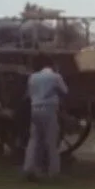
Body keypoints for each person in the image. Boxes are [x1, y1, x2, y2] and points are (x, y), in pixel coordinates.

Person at [23, 53, 68, 181]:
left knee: (34, 140)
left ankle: (29, 169)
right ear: (51, 65)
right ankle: (53, 172)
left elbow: (29, 94)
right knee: (51, 141)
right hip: (49, 109)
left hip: (35, 109)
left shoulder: (32, 77)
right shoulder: (55, 77)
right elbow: (65, 91)